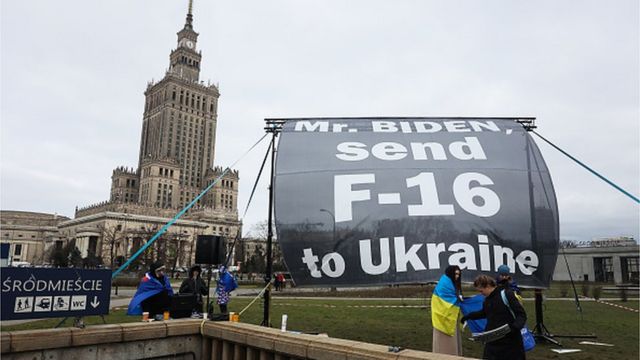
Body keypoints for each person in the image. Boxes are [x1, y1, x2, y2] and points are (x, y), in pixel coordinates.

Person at [461, 275, 527, 360]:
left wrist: (514, 328)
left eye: (481, 291)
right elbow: (485, 312)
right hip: (492, 342)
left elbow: (521, 315)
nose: (481, 294)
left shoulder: (507, 294)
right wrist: (468, 316)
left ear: (488, 286)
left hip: (511, 342)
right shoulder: (487, 299)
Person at [431, 265, 463, 356]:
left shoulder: (450, 282)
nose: (457, 276)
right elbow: (446, 299)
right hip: (443, 317)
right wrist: (458, 299)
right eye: (455, 274)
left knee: (453, 338)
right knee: (444, 341)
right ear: (450, 273)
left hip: (450, 316)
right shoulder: (445, 283)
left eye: (458, 274)